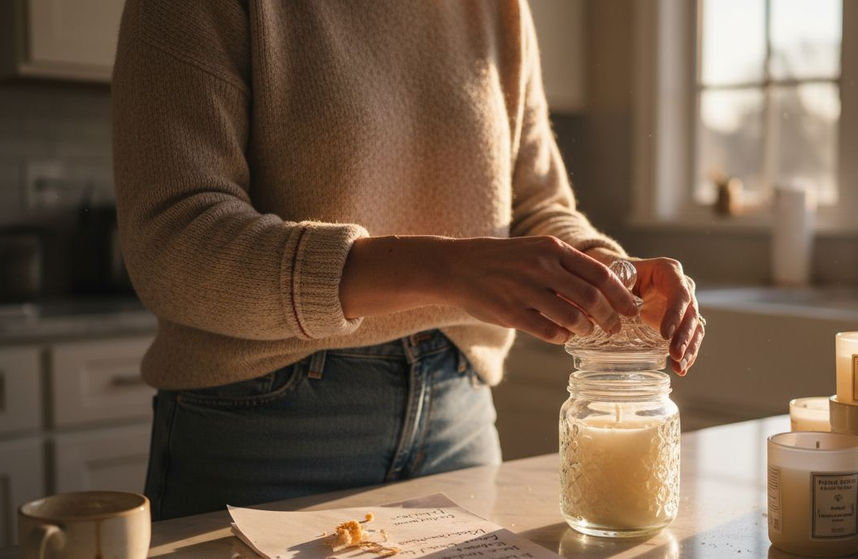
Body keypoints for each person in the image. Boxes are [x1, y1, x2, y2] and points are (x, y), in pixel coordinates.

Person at [113, 0, 705, 521]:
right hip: (264, 428)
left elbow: (537, 207)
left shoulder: (497, 7)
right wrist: (448, 270)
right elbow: (173, 240)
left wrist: (608, 268)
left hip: (458, 414)